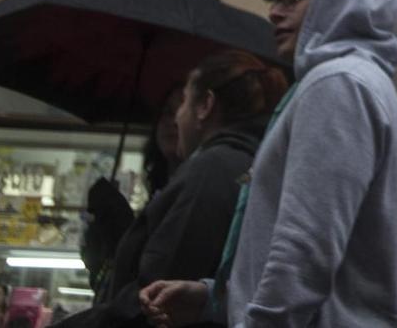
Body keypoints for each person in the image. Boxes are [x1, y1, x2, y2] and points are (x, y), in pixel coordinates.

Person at [141, 0, 397, 327]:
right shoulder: (356, 81)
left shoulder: (337, 83)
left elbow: (306, 246)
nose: (274, 12)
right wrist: (214, 298)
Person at [63, 54, 286, 327]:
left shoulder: (211, 170)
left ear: (205, 106)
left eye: (182, 104)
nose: (177, 119)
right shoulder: (244, 163)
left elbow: (156, 290)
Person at [83, 82, 190, 289]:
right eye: (167, 113)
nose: (173, 122)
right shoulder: (161, 188)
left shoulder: (194, 189)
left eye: (183, 112)